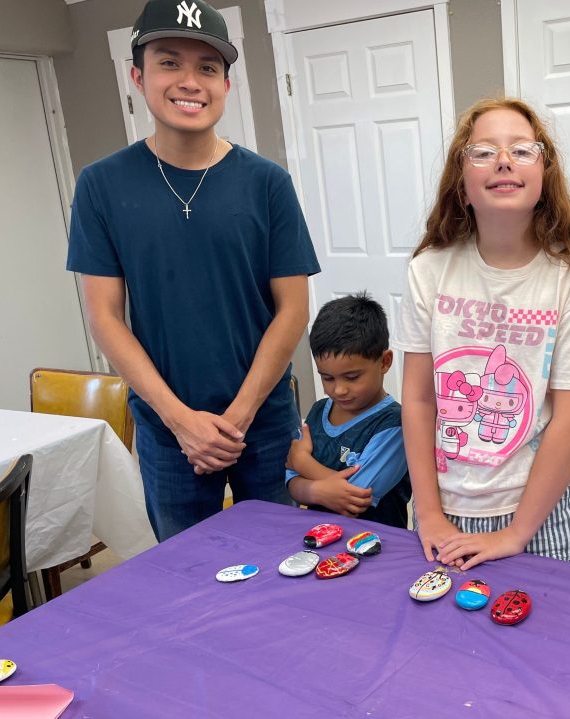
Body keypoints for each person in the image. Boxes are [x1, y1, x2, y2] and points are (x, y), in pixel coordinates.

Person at [66, 0, 319, 541]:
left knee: (281, 560)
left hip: (263, 416)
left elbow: (293, 309)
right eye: (169, 62)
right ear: (137, 75)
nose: (190, 81)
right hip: (165, 426)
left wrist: (241, 415)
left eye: (207, 67)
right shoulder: (102, 185)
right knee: (185, 572)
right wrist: (181, 420)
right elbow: (106, 317)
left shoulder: (266, 183)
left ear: (226, 84)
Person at [394, 97, 570, 571]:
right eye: (483, 152)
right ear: (462, 185)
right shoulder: (428, 271)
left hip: (543, 512)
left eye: (522, 150)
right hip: (446, 506)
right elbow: (419, 400)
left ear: (545, 177)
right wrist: (430, 514)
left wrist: (517, 534)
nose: (503, 160)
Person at [285, 293, 411, 528]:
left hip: (377, 545)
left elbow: (356, 497)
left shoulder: (394, 424)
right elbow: (290, 480)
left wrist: (302, 461)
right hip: (318, 539)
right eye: (328, 378)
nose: (339, 389)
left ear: (384, 362)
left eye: (352, 377)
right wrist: (317, 491)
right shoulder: (318, 411)